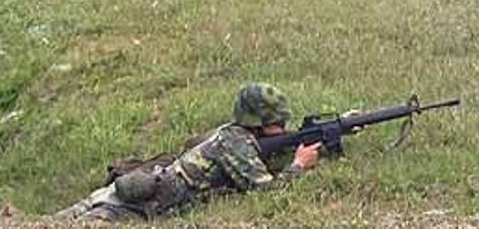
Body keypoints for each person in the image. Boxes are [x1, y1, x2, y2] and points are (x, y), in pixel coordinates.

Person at [55, 83, 321, 222]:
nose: (284, 129)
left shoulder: (232, 132)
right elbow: (266, 192)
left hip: (135, 190)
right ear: (258, 123)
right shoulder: (235, 144)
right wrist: (298, 164)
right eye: (279, 124)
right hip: (132, 206)